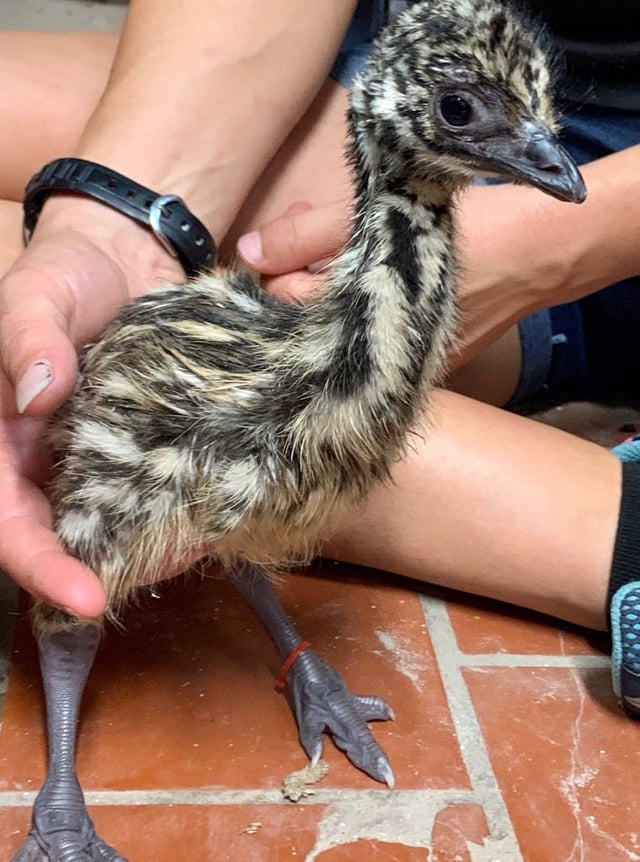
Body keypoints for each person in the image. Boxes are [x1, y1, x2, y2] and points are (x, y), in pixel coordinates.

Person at [0, 1, 638, 701]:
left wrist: (551, 246)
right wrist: (111, 224)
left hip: (602, 209)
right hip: (391, 81)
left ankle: (612, 532)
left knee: (306, 402)